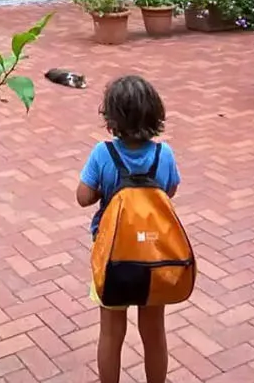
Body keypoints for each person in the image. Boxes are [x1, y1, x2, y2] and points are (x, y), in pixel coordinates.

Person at [76, 75, 181, 383]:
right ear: (155, 114)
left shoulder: (102, 154)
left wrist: (102, 189)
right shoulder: (165, 155)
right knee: (154, 330)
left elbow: (83, 198)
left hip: (113, 259)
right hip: (154, 257)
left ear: (111, 120)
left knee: (110, 331)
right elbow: (169, 192)